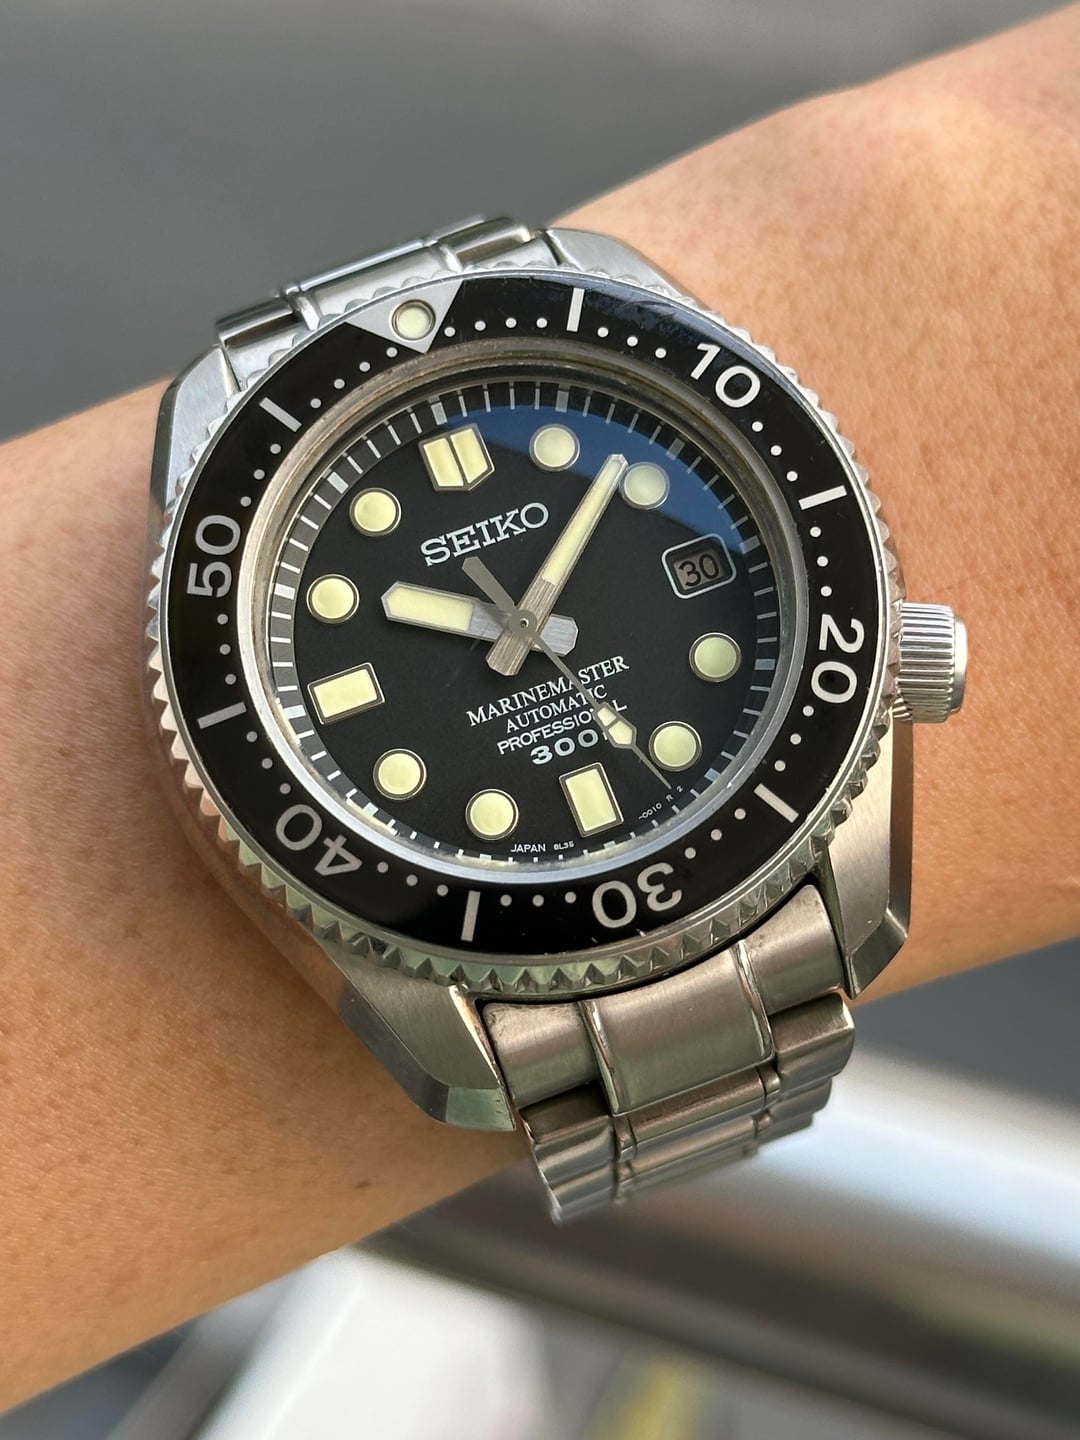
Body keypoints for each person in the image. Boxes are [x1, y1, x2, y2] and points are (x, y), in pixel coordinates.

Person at [0, 4, 1077, 1410]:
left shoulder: (848, 876)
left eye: (531, 617)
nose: (525, 637)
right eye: (510, 632)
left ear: (895, 655)